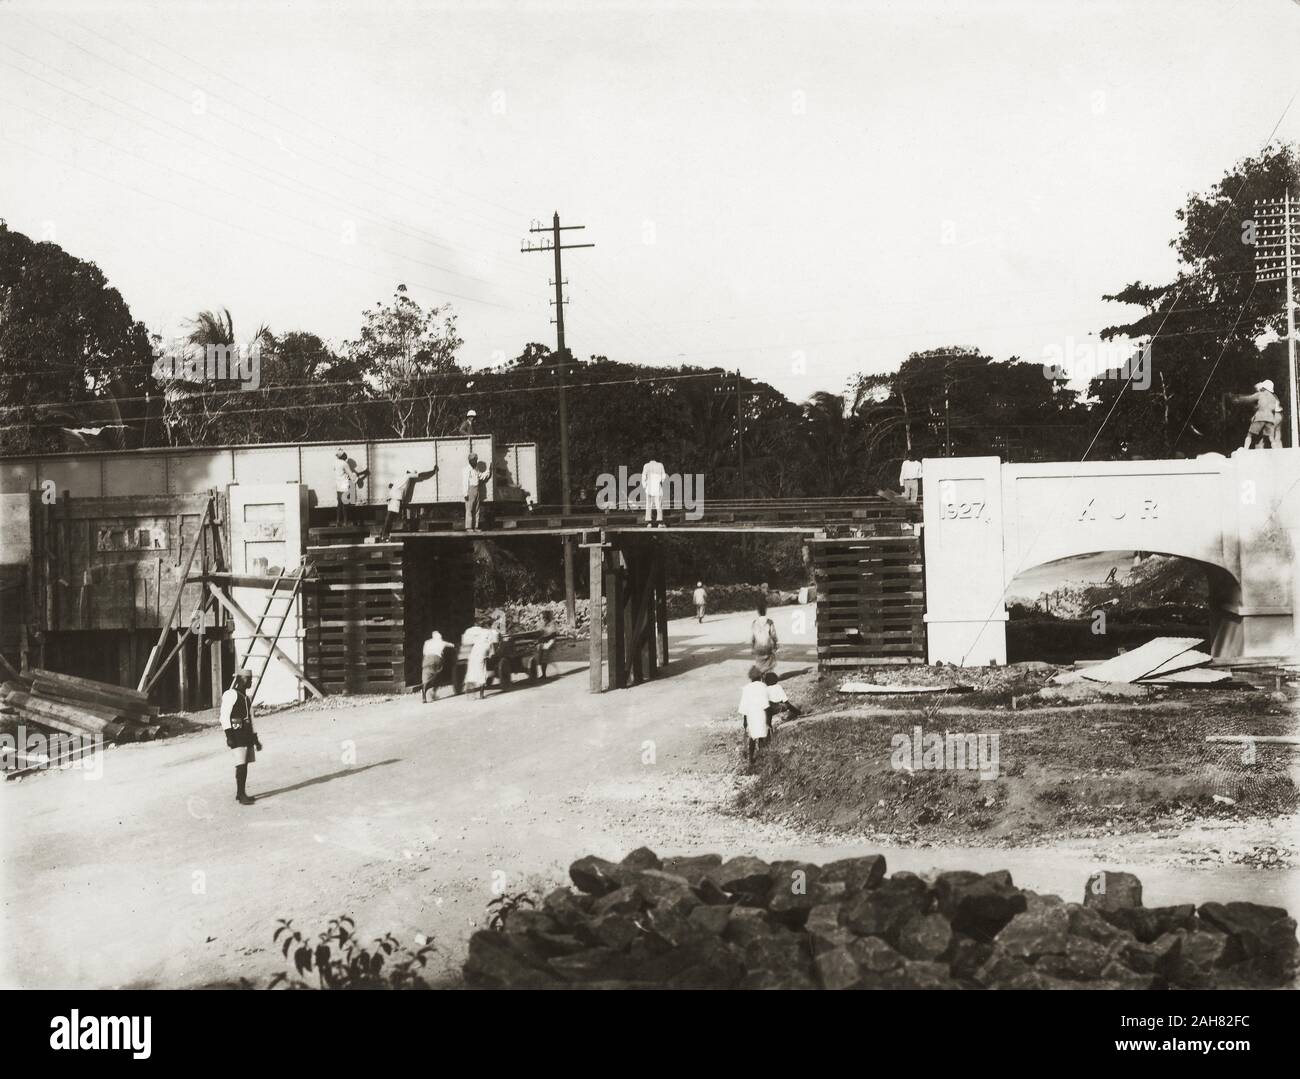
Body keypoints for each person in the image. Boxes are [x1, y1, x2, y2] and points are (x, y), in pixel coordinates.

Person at [218, 669, 262, 806]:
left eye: (250, 679)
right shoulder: (231, 694)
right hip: (237, 734)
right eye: (248, 679)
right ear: (240, 680)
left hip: (246, 734)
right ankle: (241, 794)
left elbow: (251, 718)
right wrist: (229, 736)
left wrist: (256, 740)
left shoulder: (246, 697)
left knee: (245, 764)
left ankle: (240, 792)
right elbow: (224, 716)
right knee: (240, 764)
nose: (250, 682)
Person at [1228, 380, 1283, 449]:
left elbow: (1248, 399)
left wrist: (1237, 398)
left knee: (1250, 434)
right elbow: (1271, 408)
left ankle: (1245, 449)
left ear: (1263, 387)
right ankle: (1276, 450)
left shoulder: (1260, 394)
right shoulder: (1273, 397)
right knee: (1271, 437)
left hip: (1260, 417)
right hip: (1270, 418)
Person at [738, 667, 771, 767]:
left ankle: (751, 757)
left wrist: (745, 721)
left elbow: (744, 705)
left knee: (752, 737)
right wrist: (769, 721)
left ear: (751, 678)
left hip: (751, 714)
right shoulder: (763, 686)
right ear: (760, 676)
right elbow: (766, 704)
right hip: (761, 713)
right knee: (762, 734)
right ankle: (762, 756)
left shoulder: (746, 688)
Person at [462, 618, 500, 699]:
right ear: (489, 626)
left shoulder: (478, 632)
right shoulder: (491, 632)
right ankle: (481, 694)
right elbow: (495, 642)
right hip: (481, 655)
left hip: (473, 654)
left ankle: (469, 694)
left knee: (471, 673)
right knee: (482, 673)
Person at [763, 671, 800, 737]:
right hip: (778, 707)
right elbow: (786, 701)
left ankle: (768, 735)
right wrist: (795, 710)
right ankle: (798, 713)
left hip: (768, 708)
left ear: (766, 682)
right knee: (787, 706)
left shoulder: (765, 689)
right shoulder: (778, 687)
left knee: (768, 721)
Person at [421, 629, 454, 702]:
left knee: (425, 678)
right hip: (437, 659)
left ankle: (424, 695)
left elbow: (424, 653)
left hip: (427, 659)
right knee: (438, 676)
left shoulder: (427, 642)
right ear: (440, 637)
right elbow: (452, 645)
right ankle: (433, 692)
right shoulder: (442, 642)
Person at [333, 449, 364, 525]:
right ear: (343, 456)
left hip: (338, 486)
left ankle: (337, 521)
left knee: (339, 504)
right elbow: (351, 475)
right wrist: (357, 476)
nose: (346, 456)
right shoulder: (345, 464)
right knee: (345, 505)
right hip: (345, 486)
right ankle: (345, 522)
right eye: (345, 454)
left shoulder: (335, 463)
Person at [750, 598, 779, 675]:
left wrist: (752, 647)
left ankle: (760, 674)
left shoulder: (754, 622)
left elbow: (753, 637)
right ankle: (768, 674)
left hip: (758, 647)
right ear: (765, 611)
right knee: (769, 660)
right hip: (767, 646)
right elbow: (773, 635)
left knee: (759, 662)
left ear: (758, 612)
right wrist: (776, 644)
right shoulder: (769, 622)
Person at [463, 453, 487, 530]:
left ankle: (476, 527)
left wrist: (489, 471)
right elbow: (465, 482)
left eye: (476, 460)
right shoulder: (467, 469)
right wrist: (465, 493)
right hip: (470, 490)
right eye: (474, 460)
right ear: (470, 461)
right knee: (469, 509)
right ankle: (469, 527)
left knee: (476, 509)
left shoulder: (476, 469)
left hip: (477, 489)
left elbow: (481, 476)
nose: (475, 461)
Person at [641, 457, 667, 527]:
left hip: (649, 487)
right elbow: (664, 476)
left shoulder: (646, 465)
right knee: (658, 505)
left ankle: (649, 523)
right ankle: (659, 523)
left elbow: (643, 477)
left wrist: (645, 486)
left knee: (648, 505)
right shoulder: (660, 465)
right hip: (657, 487)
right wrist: (660, 481)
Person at [537, 609, 558, 678]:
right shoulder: (541, 623)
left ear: (547, 617)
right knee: (540, 655)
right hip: (543, 641)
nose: (542, 619)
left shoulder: (552, 623)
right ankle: (543, 672)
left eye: (544, 617)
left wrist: (545, 638)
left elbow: (554, 634)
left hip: (550, 640)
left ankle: (544, 674)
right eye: (541, 618)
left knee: (545, 655)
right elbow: (539, 632)